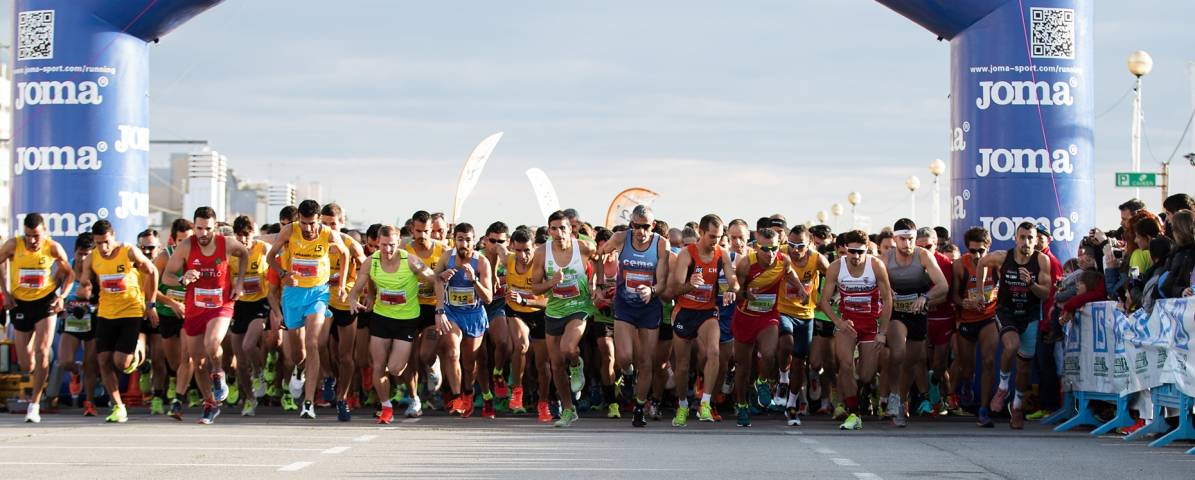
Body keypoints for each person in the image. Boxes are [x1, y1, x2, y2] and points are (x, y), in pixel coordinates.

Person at [162, 207, 250, 424]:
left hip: (221, 305)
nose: (203, 233)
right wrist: (183, 278)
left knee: (212, 343)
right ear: (194, 226)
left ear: (216, 228)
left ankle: (219, 373)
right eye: (199, 228)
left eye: (207, 229)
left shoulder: (226, 243)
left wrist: (239, 283)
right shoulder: (185, 246)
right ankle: (210, 404)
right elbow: (167, 276)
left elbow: (245, 254)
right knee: (198, 362)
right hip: (195, 308)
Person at [266, 199, 351, 419]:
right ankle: (299, 368)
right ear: (299, 220)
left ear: (319, 219)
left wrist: (341, 286)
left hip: (318, 293)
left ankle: (308, 402)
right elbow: (270, 257)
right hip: (293, 295)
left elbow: (345, 254)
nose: (309, 228)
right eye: (304, 223)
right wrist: (284, 275)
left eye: (312, 223)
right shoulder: (289, 231)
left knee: (313, 342)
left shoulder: (327, 233)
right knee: (298, 353)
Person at [347, 225, 437, 423]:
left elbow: (435, 280)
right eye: (384, 245)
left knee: (395, 368)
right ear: (378, 242)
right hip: (381, 317)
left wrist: (440, 310)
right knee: (378, 365)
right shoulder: (372, 262)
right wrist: (353, 298)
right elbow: (359, 284)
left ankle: (417, 381)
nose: (388, 250)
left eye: (392, 246)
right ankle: (386, 406)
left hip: (406, 320)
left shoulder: (410, 260)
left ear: (399, 243)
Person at [76, 219, 160, 423]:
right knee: (103, 360)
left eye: (106, 242)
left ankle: (139, 354)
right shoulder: (92, 258)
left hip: (131, 311)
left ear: (113, 236)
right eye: (98, 243)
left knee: (120, 362)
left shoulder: (128, 251)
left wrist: (151, 304)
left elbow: (153, 271)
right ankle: (118, 406)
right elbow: (84, 280)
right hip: (106, 313)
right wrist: (84, 287)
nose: (103, 247)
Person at [596, 205, 670, 427]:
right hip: (625, 306)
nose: (641, 231)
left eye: (646, 226)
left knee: (646, 362)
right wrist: (599, 283)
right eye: (637, 226)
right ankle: (627, 374)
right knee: (625, 357)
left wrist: (653, 290)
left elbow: (663, 280)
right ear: (631, 225)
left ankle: (639, 407)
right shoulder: (620, 238)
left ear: (653, 226)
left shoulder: (660, 244)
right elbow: (598, 255)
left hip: (649, 307)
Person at [665, 214, 739, 426]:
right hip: (685, 312)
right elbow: (673, 290)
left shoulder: (721, 254)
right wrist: (690, 284)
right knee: (682, 366)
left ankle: (705, 403)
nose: (716, 240)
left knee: (714, 352)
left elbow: (733, 279)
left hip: (708, 311)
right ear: (701, 232)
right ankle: (682, 405)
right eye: (712, 236)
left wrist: (731, 290)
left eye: (719, 236)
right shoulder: (687, 255)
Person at [976, 221, 1052, 430]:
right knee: (1011, 346)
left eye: (1030, 238)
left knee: (1024, 368)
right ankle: (1002, 388)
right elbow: (982, 263)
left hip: (1030, 316)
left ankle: (1017, 407)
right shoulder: (1003, 257)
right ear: (1015, 239)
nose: (1026, 242)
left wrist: (1031, 284)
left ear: (1036, 240)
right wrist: (981, 292)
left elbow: (1045, 293)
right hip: (1006, 312)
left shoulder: (1042, 260)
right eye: (1022, 237)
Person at [0, 213, 75, 423]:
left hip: (45, 302)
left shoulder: (52, 247)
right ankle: (37, 348)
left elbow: (69, 274)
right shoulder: (13, 245)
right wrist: (5, 292)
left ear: (44, 233)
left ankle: (34, 404)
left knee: (42, 351)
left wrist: (61, 296)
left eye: (36, 236)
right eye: (28, 236)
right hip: (20, 303)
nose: (32, 241)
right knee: (26, 364)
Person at [530, 210, 600, 427]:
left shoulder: (584, 248)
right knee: (556, 364)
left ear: (571, 230)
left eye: (563, 228)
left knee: (568, 348)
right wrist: (553, 282)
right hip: (554, 311)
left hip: (579, 307)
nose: (559, 233)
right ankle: (568, 410)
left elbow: (599, 260)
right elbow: (535, 287)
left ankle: (576, 364)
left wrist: (595, 283)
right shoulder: (542, 252)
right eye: (554, 228)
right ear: (549, 230)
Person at [730, 228, 806, 427]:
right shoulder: (746, 263)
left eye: (773, 248)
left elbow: (790, 275)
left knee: (770, 352)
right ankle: (743, 405)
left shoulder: (784, 260)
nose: (770, 253)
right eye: (765, 249)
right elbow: (736, 292)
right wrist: (747, 294)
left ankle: (762, 381)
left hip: (768, 316)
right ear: (756, 247)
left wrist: (800, 289)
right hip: (745, 317)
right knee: (742, 367)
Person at [819, 229, 893, 431]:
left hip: (871, 325)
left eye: (861, 252)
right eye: (852, 251)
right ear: (845, 250)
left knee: (866, 375)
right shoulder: (836, 267)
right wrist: (838, 322)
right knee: (845, 365)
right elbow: (824, 301)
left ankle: (867, 392)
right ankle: (855, 413)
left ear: (867, 250)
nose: (856, 256)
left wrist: (882, 332)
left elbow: (887, 300)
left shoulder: (876, 265)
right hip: (847, 325)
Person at [882, 220, 948, 427]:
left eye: (911, 239)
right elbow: (873, 284)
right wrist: (885, 291)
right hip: (895, 313)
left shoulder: (923, 255)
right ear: (895, 239)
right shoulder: (885, 259)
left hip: (917, 312)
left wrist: (926, 297)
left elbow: (943, 285)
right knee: (898, 352)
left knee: (911, 362)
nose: (907, 243)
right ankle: (893, 397)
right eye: (902, 239)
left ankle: (901, 400)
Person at [432, 223, 495, 418]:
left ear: (474, 241)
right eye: (460, 239)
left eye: (468, 239)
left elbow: (488, 298)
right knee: (452, 351)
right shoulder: (447, 257)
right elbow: (435, 280)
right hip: (452, 313)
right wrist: (441, 278)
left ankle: (469, 391)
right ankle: (457, 395)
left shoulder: (481, 262)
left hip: (474, 315)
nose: (464, 243)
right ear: (454, 240)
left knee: (469, 363)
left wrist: (473, 279)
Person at [319, 203, 367, 421]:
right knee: (318, 343)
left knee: (345, 356)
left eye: (333, 224)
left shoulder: (350, 244)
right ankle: (328, 376)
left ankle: (342, 399)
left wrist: (364, 292)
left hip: (346, 302)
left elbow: (368, 268)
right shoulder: (316, 242)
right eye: (325, 224)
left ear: (342, 223)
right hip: (322, 300)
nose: (329, 229)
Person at [949, 227, 1000, 426]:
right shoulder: (960, 265)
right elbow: (953, 295)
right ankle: (967, 384)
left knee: (988, 362)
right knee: (966, 368)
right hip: (967, 321)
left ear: (989, 248)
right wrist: (964, 303)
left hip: (988, 317)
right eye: (973, 251)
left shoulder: (996, 263)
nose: (977, 255)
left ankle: (984, 408)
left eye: (981, 251)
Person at [503, 228, 549, 418]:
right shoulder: (509, 259)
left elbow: (547, 301)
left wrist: (525, 300)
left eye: (527, 250)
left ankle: (544, 402)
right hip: (515, 311)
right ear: (512, 247)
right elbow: (495, 251)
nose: (522, 255)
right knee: (521, 345)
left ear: (535, 247)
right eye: (518, 250)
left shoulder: (543, 265)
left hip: (538, 312)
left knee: (541, 364)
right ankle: (517, 391)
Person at [228, 216, 271, 416]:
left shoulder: (262, 248)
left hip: (260, 303)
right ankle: (250, 399)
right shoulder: (231, 253)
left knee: (248, 345)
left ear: (253, 233)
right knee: (239, 360)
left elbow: (275, 273)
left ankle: (259, 372)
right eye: (240, 235)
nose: (244, 239)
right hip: (238, 306)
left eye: (247, 234)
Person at [56, 233, 100, 417]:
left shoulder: (98, 270)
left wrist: (91, 307)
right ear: (75, 251)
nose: (82, 258)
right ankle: (76, 371)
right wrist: (59, 304)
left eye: (86, 254)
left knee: (91, 364)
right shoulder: (68, 267)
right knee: (65, 361)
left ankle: (89, 402)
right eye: (80, 253)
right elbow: (51, 289)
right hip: (72, 320)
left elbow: (106, 296)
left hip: (92, 320)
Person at [1160, 210, 1194, 298]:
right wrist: (1182, 291)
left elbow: (1166, 285)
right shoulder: (1179, 253)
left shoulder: (1181, 254)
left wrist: (1181, 291)